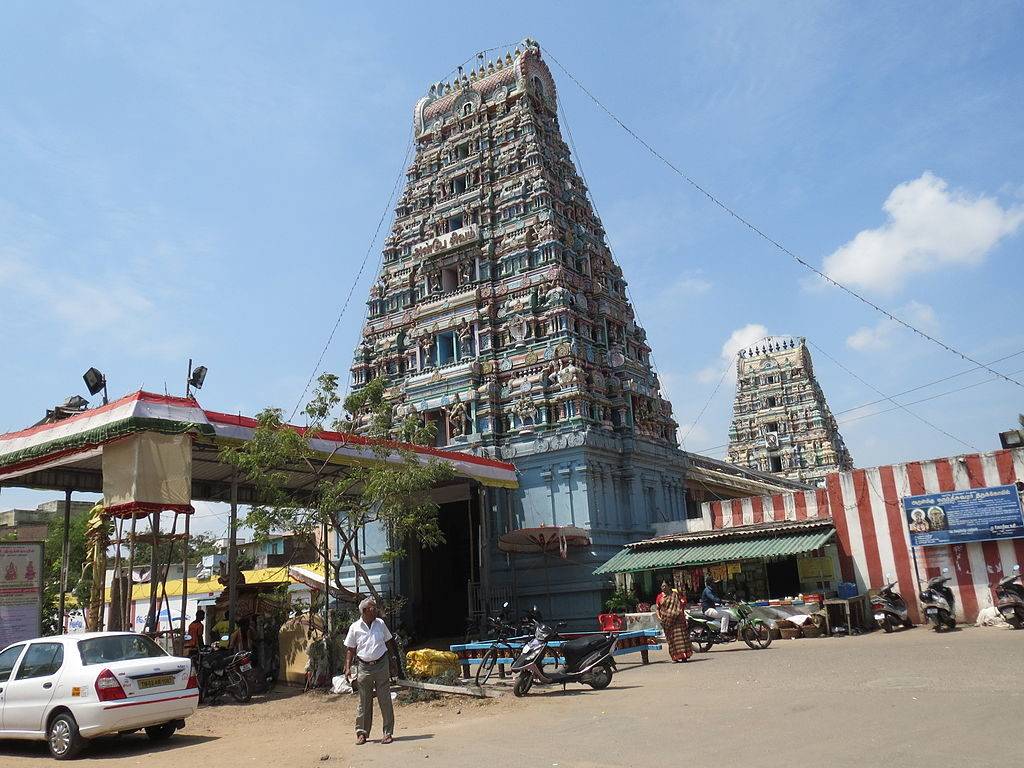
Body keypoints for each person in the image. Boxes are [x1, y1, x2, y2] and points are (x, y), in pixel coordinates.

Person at [344, 598, 400, 746]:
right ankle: (362, 733)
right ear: (364, 611)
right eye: (372, 608)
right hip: (364, 667)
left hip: (382, 664)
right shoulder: (354, 627)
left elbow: (389, 642)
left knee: (385, 700)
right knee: (364, 702)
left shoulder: (380, 624)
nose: (375, 610)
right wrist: (347, 667)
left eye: (375, 608)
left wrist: (393, 661)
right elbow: (350, 649)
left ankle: (387, 733)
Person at [654, 581, 691, 662]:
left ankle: (684, 656)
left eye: (665, 586)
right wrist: (659, 617)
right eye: (662, 586)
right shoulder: (659, 597)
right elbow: (657, 609)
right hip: (667, 622)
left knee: (681, 638)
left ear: (669, 586)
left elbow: (682, 603)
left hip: (678, 620)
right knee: (671, 640)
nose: (663, 587)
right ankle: (675, 657)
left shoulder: (675, 594)